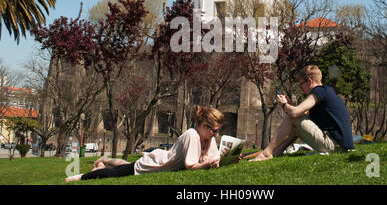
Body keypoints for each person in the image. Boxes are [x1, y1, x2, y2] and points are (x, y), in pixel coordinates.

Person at [64, 106, 224, 182]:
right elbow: (192, 166)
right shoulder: (192, 135)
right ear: (203, 125)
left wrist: (227, 158)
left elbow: (214, 158)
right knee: (114, 173)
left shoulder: (208, 138)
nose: (216, 135)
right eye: (214, 131)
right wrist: (208, 164)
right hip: (152, 165)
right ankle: (80, 176)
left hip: (160, 162)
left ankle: (104, 161)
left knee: (123, 164)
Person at [250, 65, 354, 162]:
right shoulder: (326, 91)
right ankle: (276, 152)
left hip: (334, 146)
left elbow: (295, 114)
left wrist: (284, 104)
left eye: (301, 84)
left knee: (292, 117)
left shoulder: (319, 91)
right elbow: (303, 119)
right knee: (295, 125)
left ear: (309, 81)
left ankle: (267, 153)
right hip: (340, 146)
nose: (301, 87)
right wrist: (290, 105)